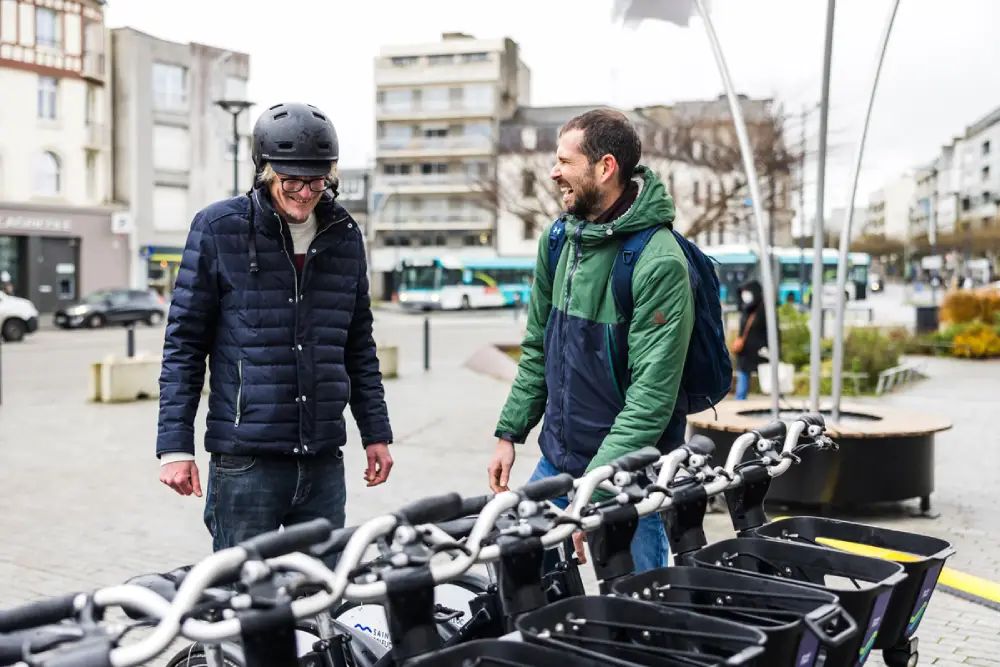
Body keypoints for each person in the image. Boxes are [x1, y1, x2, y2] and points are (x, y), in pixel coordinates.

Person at [155, 102, 393, 565]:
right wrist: (174, 446)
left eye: (318, 180)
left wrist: (375, 432)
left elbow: (358, 345)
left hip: (323, 458)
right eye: (293, 181)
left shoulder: (345, 234)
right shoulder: (218, 228)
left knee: (320, 598)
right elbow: (184, 344)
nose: (306, 193)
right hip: (247, 463)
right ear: (265, 172)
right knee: (241, 603)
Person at [486, 108, 695, 574]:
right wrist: (509, 432)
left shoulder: (658, 261)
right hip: (557, 465)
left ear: (605, 168)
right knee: (528, 592)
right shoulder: (560, 240)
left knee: (637, 615)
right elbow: (539, 345)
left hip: (625, 479)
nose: (554, 172)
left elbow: (651, 398)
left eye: (566, 161)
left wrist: (593, 492)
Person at [733, 279, 770, 400]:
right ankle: (740, 399)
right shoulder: (746, 309)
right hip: (745, 351)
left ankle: (773, 402)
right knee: (743, 376)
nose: (745, 295)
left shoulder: (764, 310)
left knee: (769, 378)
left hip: (761, 351)